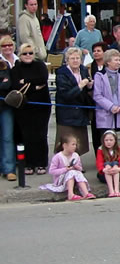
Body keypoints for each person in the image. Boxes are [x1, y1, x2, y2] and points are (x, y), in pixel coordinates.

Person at [10, 43, 51, 175]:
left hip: (41, 107)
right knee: (27, 135)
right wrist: (35, 86)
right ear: (20, 55)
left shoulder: (40, 65)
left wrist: (26, 81)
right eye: (25, 53)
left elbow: (43, 79)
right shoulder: (16, 68)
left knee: (41, 135)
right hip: (24, 108)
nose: (28, 55)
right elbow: (16, 86)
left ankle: (41, 163)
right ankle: (29, 163)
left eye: (30, 53)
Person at [54, 47, 93, 156]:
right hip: (67, 113)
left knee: (79, 143)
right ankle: (64, 163)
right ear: (67, 60)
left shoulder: (83, 70)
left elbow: (87, 90)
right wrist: (80, 86)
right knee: (67, 143)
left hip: (81, 112)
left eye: (77, 58)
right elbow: (65, 95)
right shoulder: (62, 73)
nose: (75, 60)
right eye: (72, 58)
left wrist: (89, 86)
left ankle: (76, 162)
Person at [93, 49, 120, 139]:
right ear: (108, 62)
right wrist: (111, 106)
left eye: (119, 60)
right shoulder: (99, 75)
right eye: (116, 60)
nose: (118, 62)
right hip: (105, 115)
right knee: (107, 141)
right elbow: (97, 95)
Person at [44, 135, 93, 201]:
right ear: (65, 145)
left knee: (77, 173)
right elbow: (52, 171)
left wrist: (77, 167)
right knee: (71, 172)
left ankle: (86, 193)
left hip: (75, 179)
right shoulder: (58, 157)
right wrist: (65, 169)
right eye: (73, 144)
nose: (75, 146)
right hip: (61, 180)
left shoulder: (75, 155)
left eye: (75, 145)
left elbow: (80, 169)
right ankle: (70, 194)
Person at [0, 40, 15, 182]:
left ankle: (9, 169)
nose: (7, 48)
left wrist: (4, 83)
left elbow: (8, 84)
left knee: (7, 137)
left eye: (9, 45)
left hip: (5, 105)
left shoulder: (4, 64)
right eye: (4, 46)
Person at [97, 130, 120, 197]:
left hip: (117, 174)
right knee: (107, 164)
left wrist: (119, 169)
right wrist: (104, 169)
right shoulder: (100, 150)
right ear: (103, 141)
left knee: (115, 164)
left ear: (115, 141)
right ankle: (111, 191)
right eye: (106, 140)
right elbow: (99, 162)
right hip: (104, 174)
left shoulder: (119, 149)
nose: (108, 142)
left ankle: (117, 190)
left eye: (111, 140)